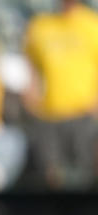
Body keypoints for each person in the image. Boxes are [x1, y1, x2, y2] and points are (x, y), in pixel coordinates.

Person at [23, 0, 98, 188]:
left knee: (85, 175)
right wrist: (31, 93)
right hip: (49, 112)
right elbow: (31, 63)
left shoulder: (92, 24)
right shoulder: (40, 25)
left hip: (83, 113)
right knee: (51, 176)